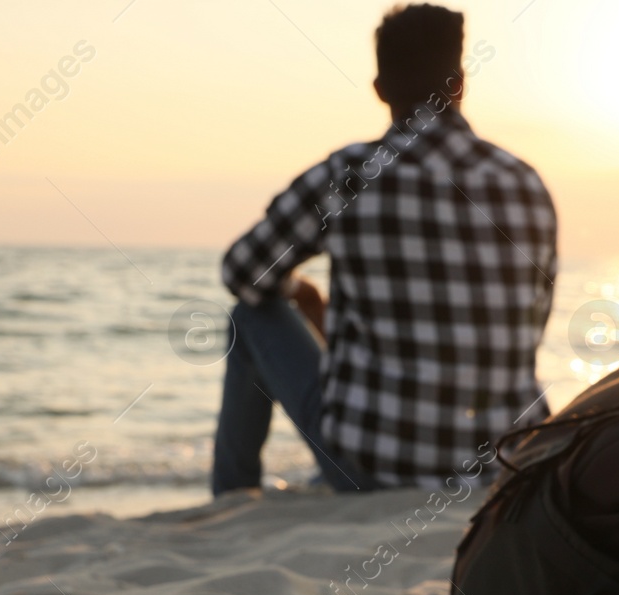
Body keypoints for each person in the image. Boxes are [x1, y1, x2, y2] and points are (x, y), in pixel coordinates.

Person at [213, 2, 557, 495]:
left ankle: (231, 497)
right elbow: (531, 327)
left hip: (372, 470)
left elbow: (242, 273)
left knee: (250, 317)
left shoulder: (349, 175)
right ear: (460, 82)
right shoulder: (525, 185)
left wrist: (298, 288)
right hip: (498, 467)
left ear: (380, 90)